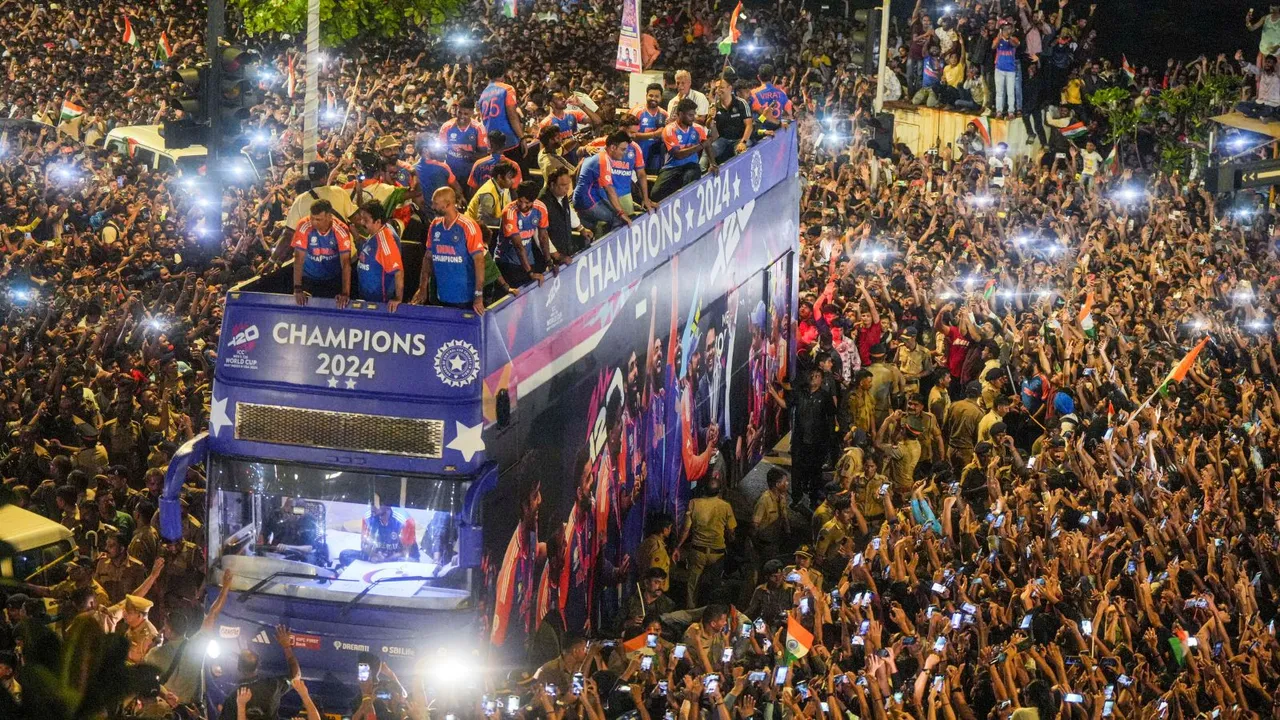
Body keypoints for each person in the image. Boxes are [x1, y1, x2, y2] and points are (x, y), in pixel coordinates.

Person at [414, 187, 487, 315]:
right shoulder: (435, 225)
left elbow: (479, 262)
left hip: (465, 298)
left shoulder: (467, 226)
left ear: (447, 204)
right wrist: (422, 287)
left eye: (435, 203)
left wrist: (478, 296)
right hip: (440, 296)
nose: (432, 206)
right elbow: (428, 257)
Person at [674, 475, 735, 609]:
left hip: (698, 552)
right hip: (717, 554)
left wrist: (678, 547)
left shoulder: (694, 503)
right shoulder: (725, 506)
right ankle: (713, 612)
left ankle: (690, 613)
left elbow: (686, 529)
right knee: (715, 586)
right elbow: (731, 532)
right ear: (719, 491)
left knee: (692, 586)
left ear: (703, 490)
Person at [218, 624, 301, 720]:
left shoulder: (233, 698)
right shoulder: (272, 686)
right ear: (258, 666)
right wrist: (287, 647)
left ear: (238, 667)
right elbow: (296, 676)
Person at [291, 200, 353, 307]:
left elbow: (346, 263)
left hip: (333, 279)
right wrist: (297, 288)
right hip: (309, 278)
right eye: (312, 218)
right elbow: (298, 259)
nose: (314, 222)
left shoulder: (340, 230)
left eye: (318, 219)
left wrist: (345, 293)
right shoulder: (304, 226)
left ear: (329, 217)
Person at [651, 99, 716, 203]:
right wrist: (701, 145)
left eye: (694, 115)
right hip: (672, 166)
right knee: (655, 194)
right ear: (680, 114)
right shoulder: (669, 129)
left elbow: (708, 145)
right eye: (690, 115)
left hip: (691, 165)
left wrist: (713, 163)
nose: (693, 118)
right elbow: (678, 155)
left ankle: (686, 206)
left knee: (690, 177)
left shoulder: (698, 128)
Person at [497, 180, 554, 288]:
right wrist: (530, 273)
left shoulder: (540, 208)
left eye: (527, 203)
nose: (523, 206)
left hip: (528, 260)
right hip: (508, 262)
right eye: (520, 201)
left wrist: (549, 262)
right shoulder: (509, 212)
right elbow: (518, 246)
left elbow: (543, 237)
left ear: (533, 200)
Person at [574, 131, 634, 232]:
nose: (624, 153)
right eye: (622, 150)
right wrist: (621, 213)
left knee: (589, 232)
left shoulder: (599, 153)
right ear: (613, 147)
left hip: (583, 199)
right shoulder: (603, 160)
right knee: (618, 219)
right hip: (588, 201)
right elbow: (609, 189)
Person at [351, 201, 405, 309]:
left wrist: (398, 299)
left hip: (380, 304)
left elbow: (398, 271)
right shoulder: (376, 232)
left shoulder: (385, 241)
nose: (362, 222)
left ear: (378, 221)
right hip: (366, 298)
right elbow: (370, 248)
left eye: (366, 220)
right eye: (361, 218)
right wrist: (356, 236)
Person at [478, 58, 523, 160]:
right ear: (503, 73)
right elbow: (512, 116)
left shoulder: (483, 94)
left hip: (492, 143)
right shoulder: (507, 89)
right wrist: (522, 138)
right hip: (509, 140)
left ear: (487, 74)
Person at [541, 167, 593, 257]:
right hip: (552, 258)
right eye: (563, 185)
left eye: (568, 184)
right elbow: (542, 235)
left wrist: (581, 228)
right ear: (552, 185)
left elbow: (569, 211)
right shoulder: (543, 204)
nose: (567, 188)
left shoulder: (562, 196)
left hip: (566, 252)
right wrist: (556, 255)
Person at [439, 96, 489, 186]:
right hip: (451, 173)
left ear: (472, 113)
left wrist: (466, 154)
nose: (462, 116)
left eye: (466, 114)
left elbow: (484, 155)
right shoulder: (446, 127)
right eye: (459, 112)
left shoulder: (478, 128)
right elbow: (440, 152)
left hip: (471, 174)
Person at [360, 497, 419, 563]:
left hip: (400, 559)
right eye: (371, 503)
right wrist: (372, 554)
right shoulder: (367, 518)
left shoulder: (404, 521)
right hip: (379, 557)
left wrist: (386, 560)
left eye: (376, 504)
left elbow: (407, 552)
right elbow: (363, 545)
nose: (372, 507)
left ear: (387, 506)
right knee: (346, 554)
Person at [708, 79, 752, 164]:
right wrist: (711, 120)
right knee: (709, 151)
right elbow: (714, 134)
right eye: (716, 88)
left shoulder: (741, 103)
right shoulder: (714, 107)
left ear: (730, 88)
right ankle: (704, 174)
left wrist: (743, 142)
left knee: (743, 151)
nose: (717, 91)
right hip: (722, 140)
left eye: (721, 88)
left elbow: (749, 125)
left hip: (739, 139)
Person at [466, 159, 517, 227]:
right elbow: (485, 221)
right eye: (509, 178)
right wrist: (507, 221)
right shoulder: (488, 194)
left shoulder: (504, 188)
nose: (513, 181)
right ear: (500, 177)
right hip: (473, 227)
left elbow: (509, 209)